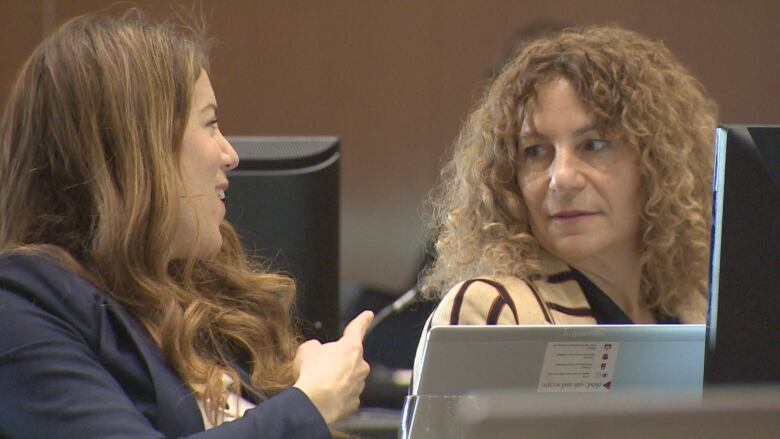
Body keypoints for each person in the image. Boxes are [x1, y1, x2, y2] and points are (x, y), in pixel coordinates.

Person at [0, 10, 372, 439]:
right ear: (140, 145)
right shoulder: (21, 309)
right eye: (210, 123)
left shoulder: (199, 294)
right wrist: (310, 404)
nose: (229, 154)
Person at [413, 24, 717, 374]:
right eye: (536, 151)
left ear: (657, 164)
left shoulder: (699, 310)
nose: (562, 178)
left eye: (593, 145)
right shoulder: (495, 312)